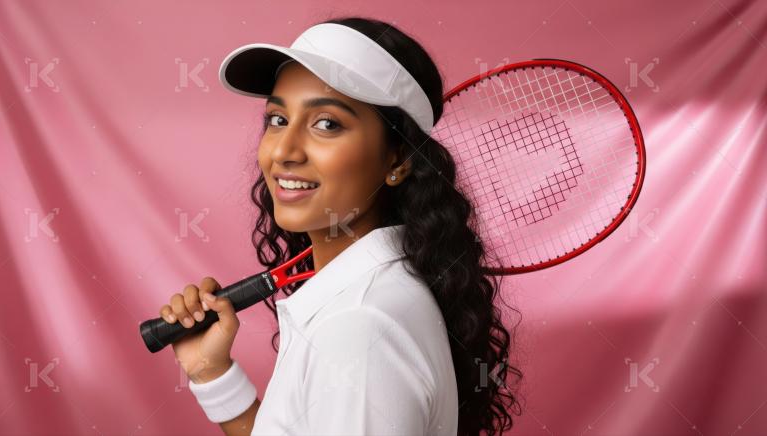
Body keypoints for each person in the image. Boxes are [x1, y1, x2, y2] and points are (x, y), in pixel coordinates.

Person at [157, 16, 521, 436]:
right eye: (277, 119)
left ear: (398, 160)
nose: (285, 151)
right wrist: (213, 374)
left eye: (327, 123)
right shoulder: (369, 300)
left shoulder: (360, 326)